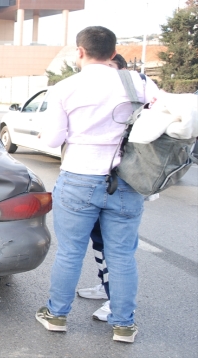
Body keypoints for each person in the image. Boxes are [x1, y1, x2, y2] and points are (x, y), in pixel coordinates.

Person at [35, 26, 157, 343]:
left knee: (70, 253)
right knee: (122, 256)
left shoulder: (66, 88)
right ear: (114, 52)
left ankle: (57, 316)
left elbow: (51, 139)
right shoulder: (141, 84)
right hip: (127, 181)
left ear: (80, 51)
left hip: (79, 178)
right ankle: (124, 325)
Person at [77, 51, 160, 323]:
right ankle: (106, 287)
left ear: (122, 70)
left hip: (123, 180)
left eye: (111, 68)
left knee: (118, 249)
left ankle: (116, 302)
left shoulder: (140, 89)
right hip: (101, 179)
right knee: (100, 242)